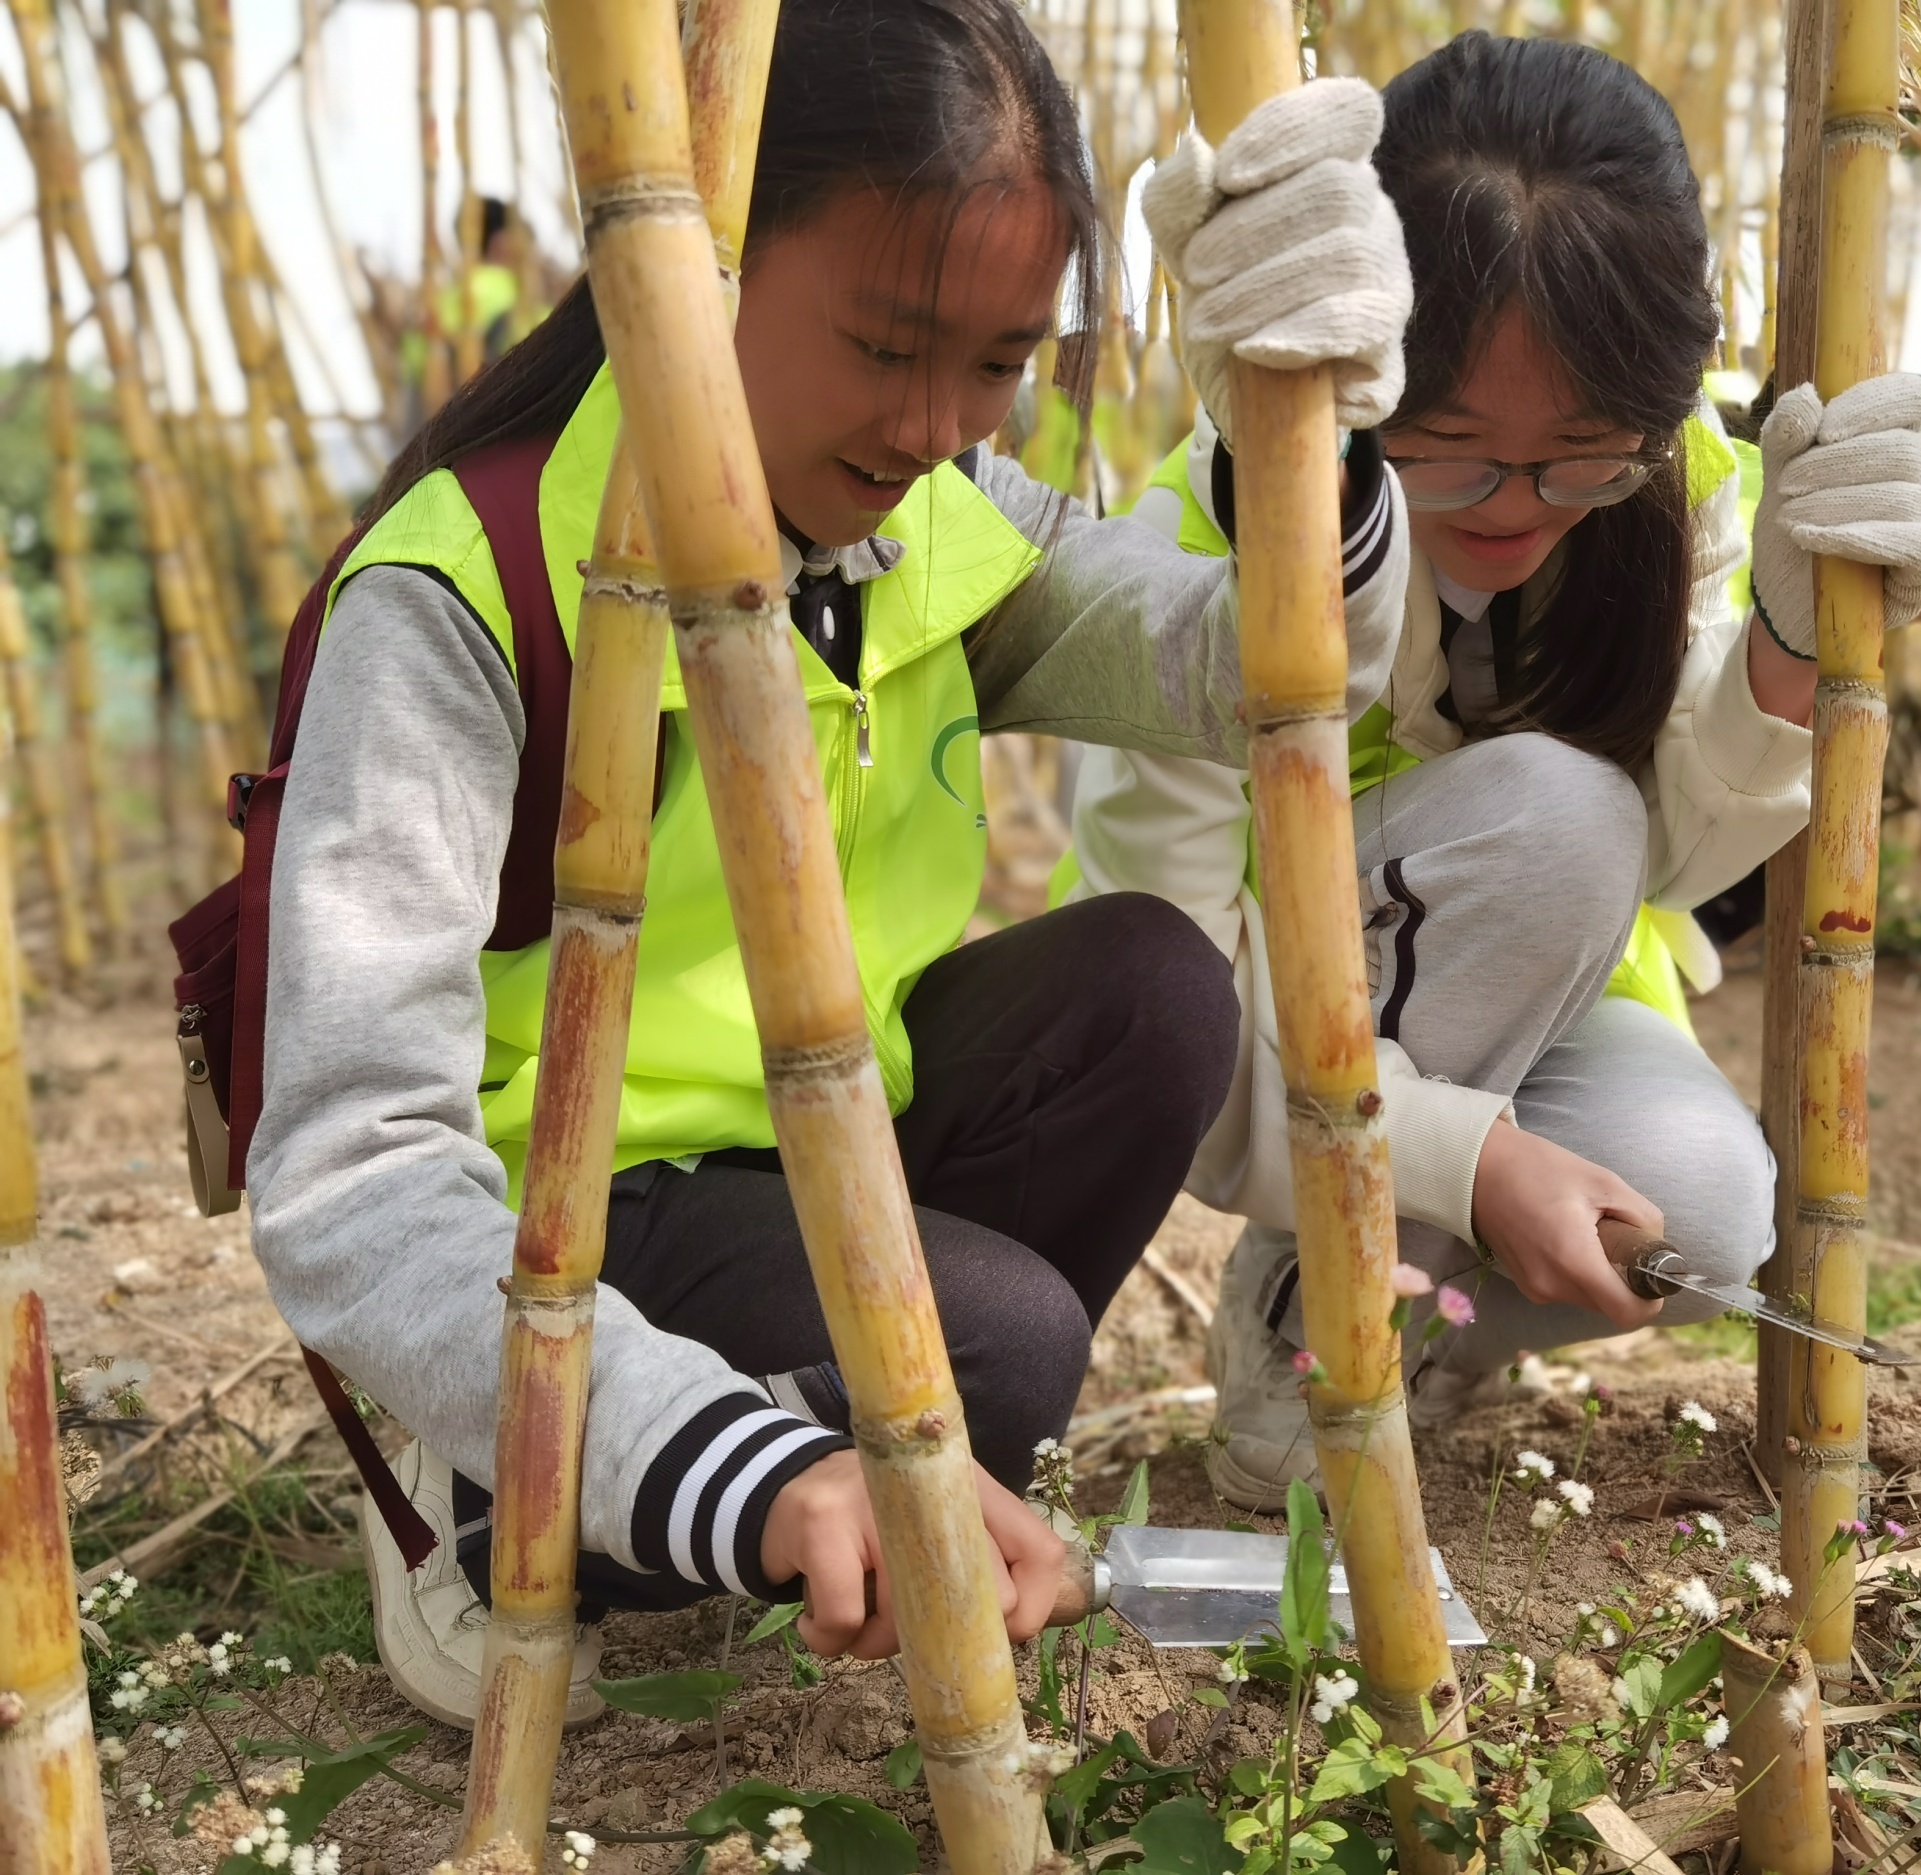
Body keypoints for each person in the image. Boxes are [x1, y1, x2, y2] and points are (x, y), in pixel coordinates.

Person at [250, 0, 1414, 1724]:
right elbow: (349, 1179)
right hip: (549, 1224)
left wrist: (1297, 433)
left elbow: (1248, 667)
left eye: (1002, 361)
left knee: (1151, 995)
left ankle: (837, 1467)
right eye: (887, 346)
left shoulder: (924, 530)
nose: (941, 421)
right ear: (700, 265)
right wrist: (740, 1464)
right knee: (989, 1351)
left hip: (806, 1151)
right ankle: (500, 1493)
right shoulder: (464, 593)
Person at [1058, 31, 1921, 1510]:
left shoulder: (1682, 495)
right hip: (1267, 1026)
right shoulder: (1207, 546)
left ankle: (1410, 1297)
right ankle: (1324, 1312)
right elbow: (1176, 1014)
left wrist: (1792, 643)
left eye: (1583, 453)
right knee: (1562, 810)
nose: (1518, 506)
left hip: (1523, 996)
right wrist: (1472, 1162)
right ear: (1362, 373)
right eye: (1453, 448)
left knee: (1712, 1214)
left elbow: (1655, 869)